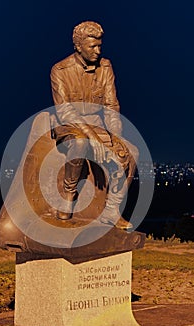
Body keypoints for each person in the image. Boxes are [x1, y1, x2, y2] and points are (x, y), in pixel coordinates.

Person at [50, 21, 138, 230]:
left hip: (98, 125)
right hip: (70, 125)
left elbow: (111, 106)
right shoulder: (60, 70)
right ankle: (68, 195)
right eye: (92, 47)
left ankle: (111, 211)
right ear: (78, 46)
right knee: (80, 143)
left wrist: (115, 137)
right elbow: (64, 111)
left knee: (131, 152)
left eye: (100, 46)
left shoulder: (105, 67)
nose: (98, 51)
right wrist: (92, 137)